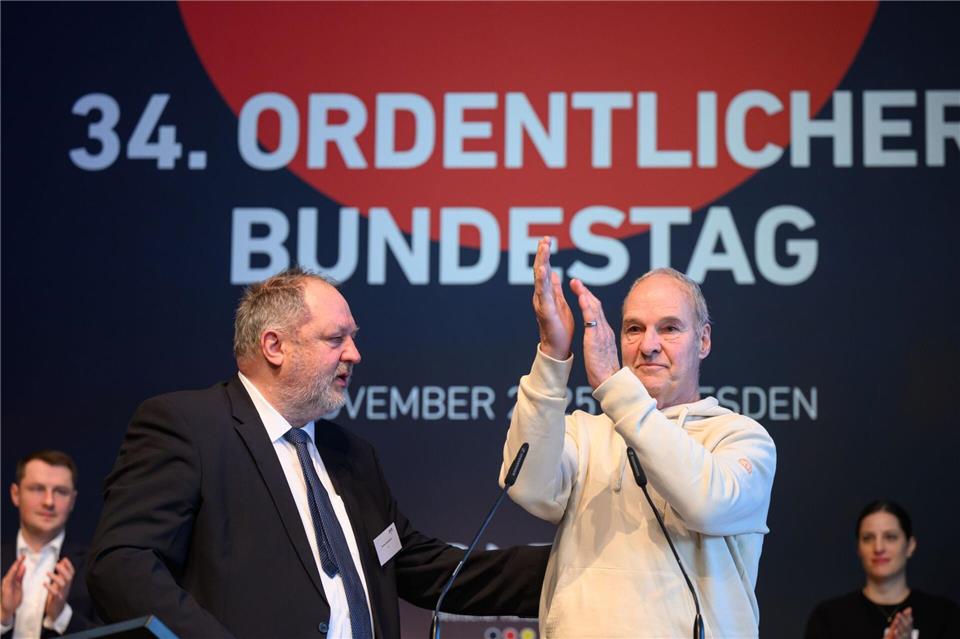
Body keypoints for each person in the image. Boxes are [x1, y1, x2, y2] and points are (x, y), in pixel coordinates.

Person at [86, 267, 548, 639]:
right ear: (274, 346)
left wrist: (572, 562)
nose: (355, 354)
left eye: (352, 338)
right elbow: (123, 566)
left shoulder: (352, 456)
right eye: (336, 339)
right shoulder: (190, 426)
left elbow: (421, 568)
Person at [500, 237, 777, 638]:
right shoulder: (586, 433)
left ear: (703, 341)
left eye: (669, 328)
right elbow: (525, 486)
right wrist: (552, 355)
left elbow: (705, 505)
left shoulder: (740, 439)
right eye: (634, 329)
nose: (648, 345)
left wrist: (616, 388)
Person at [805, 500, 960, 639]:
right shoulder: (829, 618)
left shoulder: (944, 616)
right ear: (858, 548)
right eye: (868, 538)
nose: (878, 548)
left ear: (910, 546)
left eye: (890, 537)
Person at [1, 450, 97, 638]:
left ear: (73, 501)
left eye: (61, 492)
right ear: (15, 494)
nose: (49, 501)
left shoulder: (94, 568)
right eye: (37, 488)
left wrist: (61, 615)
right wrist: (2, 616)